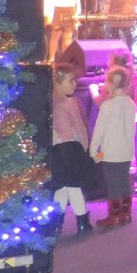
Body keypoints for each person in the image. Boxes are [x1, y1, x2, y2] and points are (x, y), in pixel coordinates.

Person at [90, 66, 137, 228]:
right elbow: (132, 129)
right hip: (126, 151)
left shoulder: (107, 105)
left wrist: (94, 151)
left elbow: (99, 130)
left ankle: (114, 215)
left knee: (112, 184)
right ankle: (126, 212)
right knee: (124, 182)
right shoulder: (131, 103)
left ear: (111, 84)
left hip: (109, 152)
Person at [49, 66, 92, 234]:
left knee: (61, 187)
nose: (75, 84)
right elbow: (79, 127)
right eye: (71, 81)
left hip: (55, 151)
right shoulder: (70, 103)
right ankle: (82, 221)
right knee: (74, 186)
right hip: (70, 149)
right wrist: (85, 147)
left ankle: (56, 223)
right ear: (57, 83)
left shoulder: (48, 102)